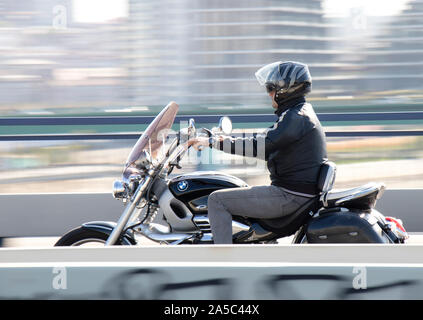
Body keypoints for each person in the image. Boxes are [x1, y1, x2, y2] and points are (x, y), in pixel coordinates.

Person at [191, 61, 328, 244]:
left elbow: (261, 145)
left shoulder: (296, 117)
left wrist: (213, 143)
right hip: (295, 192)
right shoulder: (298, 114)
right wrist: (220, 141)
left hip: (289, 196)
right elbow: (267, 142)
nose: (269, 93)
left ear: (285, 90)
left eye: (271, 88)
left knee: (217, 200)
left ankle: (222, 263)